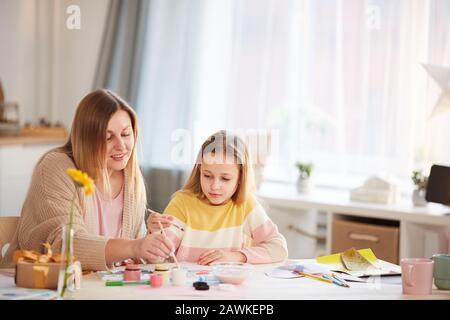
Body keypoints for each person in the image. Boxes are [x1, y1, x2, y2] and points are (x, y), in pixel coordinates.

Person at [1, 89, 174, 271]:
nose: (121, 146)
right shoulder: (56, 168)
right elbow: (64, 246)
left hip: (99, 288)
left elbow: (130, 260)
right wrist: (134, 246)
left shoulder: (130, 177)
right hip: (41, 286)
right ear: (86, 140)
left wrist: (150, 243)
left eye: (125, 134)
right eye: (108, 137)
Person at [156, 130, 288, 265]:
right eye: (207, 175)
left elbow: (279, 249)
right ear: (199, 171)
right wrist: (155, 236)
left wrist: (237, 256)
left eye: (225, 178)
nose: (214, 186)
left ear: (240, 179)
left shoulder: (245, 205)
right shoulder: (182, 203)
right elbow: (157, 256)